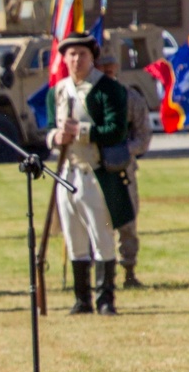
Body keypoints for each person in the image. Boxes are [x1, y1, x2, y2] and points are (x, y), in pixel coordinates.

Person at [47, 34, 134, 316]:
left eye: (81, 54)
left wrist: (82, 133)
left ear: (91, 57)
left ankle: (105, 297)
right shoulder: (58, 90)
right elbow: (48, 127)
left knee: (102, 236)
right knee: (74, 238)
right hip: (66, 174)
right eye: (71, 54)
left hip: (94, 174)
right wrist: (55, 136)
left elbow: (117, 130)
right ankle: (81, 298)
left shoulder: (107, 89)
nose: (76, 60)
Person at [99, 45, 152, 288]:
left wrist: (125, 150)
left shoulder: (130, 98)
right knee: (96, 224)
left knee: (127, 223)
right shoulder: (87, 98)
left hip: (123, 169)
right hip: (93, 170)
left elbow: (143, 137)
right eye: (102, 70)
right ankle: (99, 277)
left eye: (111, 70)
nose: (108, 74)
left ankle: (129, 271)